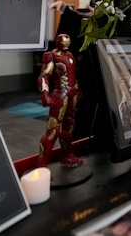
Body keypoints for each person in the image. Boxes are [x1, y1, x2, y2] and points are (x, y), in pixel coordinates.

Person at [36, 33, 84, 168]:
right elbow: (43, 76)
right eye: (64, 41)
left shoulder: (70, 55)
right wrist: (44, 94)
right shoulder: (52, 56)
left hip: (72, 93)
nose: (66, 43)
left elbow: (72, 75)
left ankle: (67, 156)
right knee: (53, 130)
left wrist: (78, 89)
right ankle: (41, 165)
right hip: (60, 94)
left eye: (68, 41)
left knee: (69, 126)